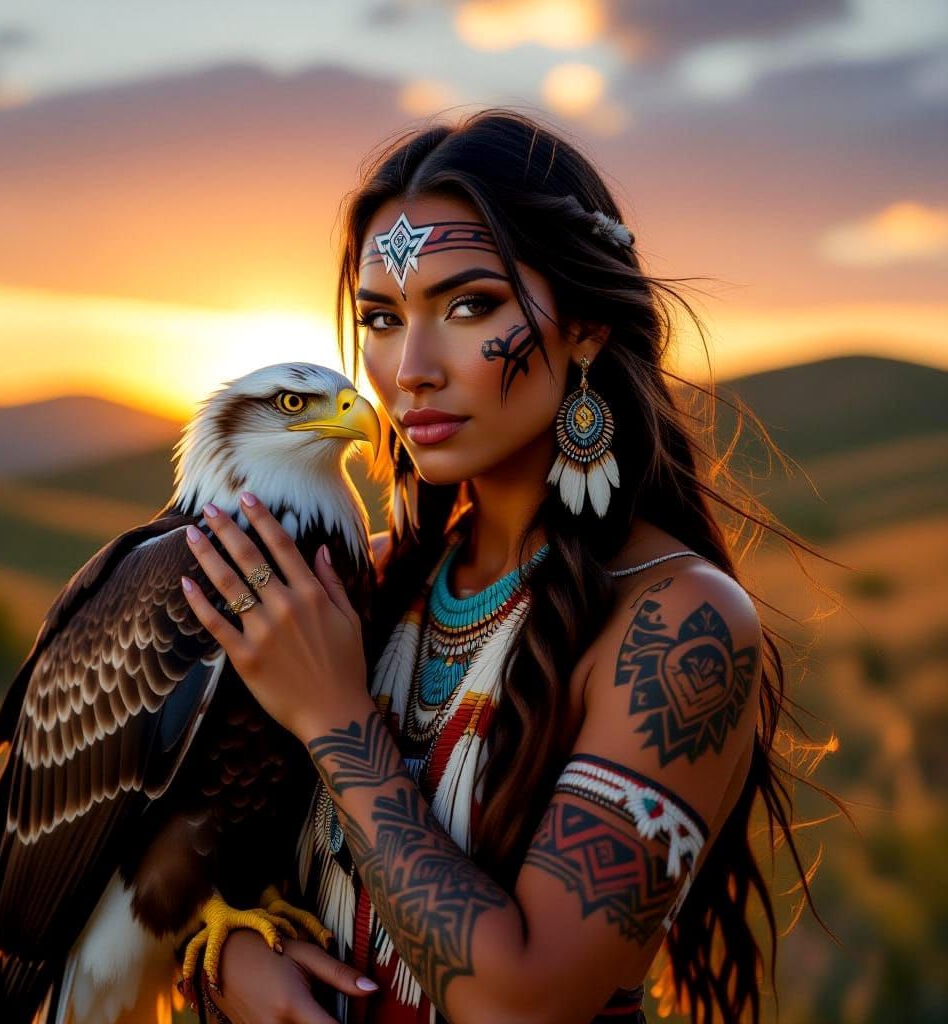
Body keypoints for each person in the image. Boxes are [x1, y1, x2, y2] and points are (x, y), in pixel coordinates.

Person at [177, 109, 824, 1024]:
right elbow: (179, 893)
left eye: (469, 306)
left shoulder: (682, 626)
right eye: (382, 318)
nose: (410, 370)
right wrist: (235, 964)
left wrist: (332, 718)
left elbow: (525, 1001)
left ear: (587, 325)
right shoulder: (356, 588)